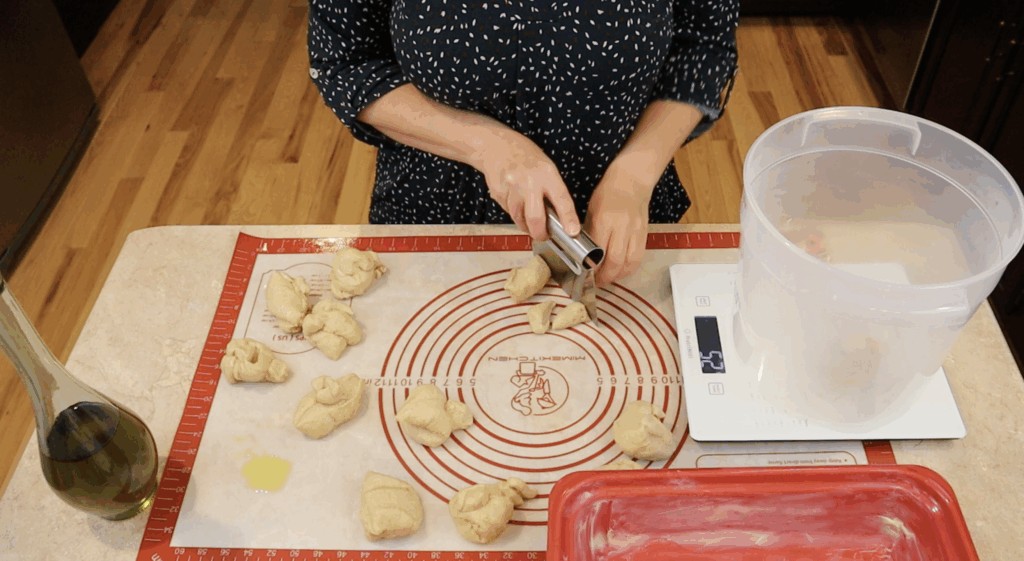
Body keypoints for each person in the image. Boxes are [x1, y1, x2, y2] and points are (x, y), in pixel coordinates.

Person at [308, 0, 739, 286]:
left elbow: (703, 46)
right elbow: (346, 62)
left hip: (619, 228)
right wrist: (486, 146)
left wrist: (634, 175)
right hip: (433, 218)